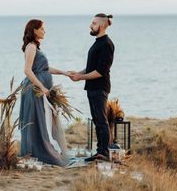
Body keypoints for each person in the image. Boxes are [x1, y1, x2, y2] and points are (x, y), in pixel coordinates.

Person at [18, 19, 70, 166]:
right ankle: (37, 153)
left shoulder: (36, 48)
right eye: (42, 29)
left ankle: (39, 152)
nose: (44, 31)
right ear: (35, 30)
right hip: (34, 91)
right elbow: (27, 71)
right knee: (36, 121)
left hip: (39, 91)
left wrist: (64, 73)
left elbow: (45, 68)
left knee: (41, 120)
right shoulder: (31, 47)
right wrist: (42, 88)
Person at [69, 14, 115, 162]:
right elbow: (91, 68)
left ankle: (104, 152)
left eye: (94, 23)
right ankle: (99, 152)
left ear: (101, 26)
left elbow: (100, 71)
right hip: (92, 88)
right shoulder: (98, 43)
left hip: (100, 88)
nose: (91, 26)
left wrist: (80, 77)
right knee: (97, 120)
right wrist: (78, 73)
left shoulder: (106, 44)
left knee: (101, 121)